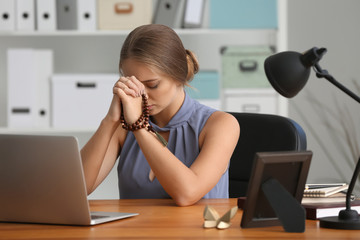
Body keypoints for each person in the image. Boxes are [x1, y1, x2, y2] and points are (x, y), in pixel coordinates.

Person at [80, 24, 240, 207]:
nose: (142, 95)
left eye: (153, 85)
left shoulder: (221, 125)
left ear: (179, 75)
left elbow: (187, 193)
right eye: (134, 84)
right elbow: (77, 189)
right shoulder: (122, 127)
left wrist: (139, 127)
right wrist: (110, 121)